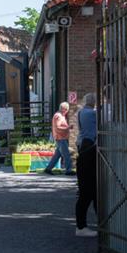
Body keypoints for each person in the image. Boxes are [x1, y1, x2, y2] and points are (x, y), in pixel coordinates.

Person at [76, 93, 99, 237]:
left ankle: (84, 225)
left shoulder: (80, 113)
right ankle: (81, 226)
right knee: (88, 192)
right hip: (89, 150)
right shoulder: (93, 114)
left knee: (90, 192)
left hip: (84, 149)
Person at [44, 102, 73, 175]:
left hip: (61, 138)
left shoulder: (60, 116)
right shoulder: (59, 116)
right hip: (61, 138)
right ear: (64, 109)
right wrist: (68, 127)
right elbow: (57, 127)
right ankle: (69, 170)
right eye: (66, 109)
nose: (67, 111)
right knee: (66, 155)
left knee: (57, 155)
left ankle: (48, 168)